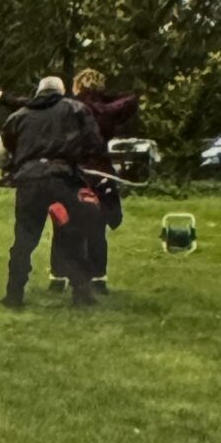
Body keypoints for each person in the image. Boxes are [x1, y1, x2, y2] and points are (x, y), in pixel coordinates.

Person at [0, 74, 104, 309]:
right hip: (63, 181)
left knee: (24, 239)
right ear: (61, 92)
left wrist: (13, 168)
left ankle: (14, 295)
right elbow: (94, 143)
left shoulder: (18, 116)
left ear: (38, 92)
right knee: (73, 234)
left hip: (30, 182)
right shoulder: (76, 109)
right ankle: (81, 293)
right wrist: (81, 162)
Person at [48, 68, 137, 295]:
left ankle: (58, 276)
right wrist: (103, 97)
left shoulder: (66, 107)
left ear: (77, 85)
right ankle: (98, 277)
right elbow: (130, 99)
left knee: (62, 221)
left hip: (70, 170)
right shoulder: (105, 110)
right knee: (97, 224)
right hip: (99, 172)